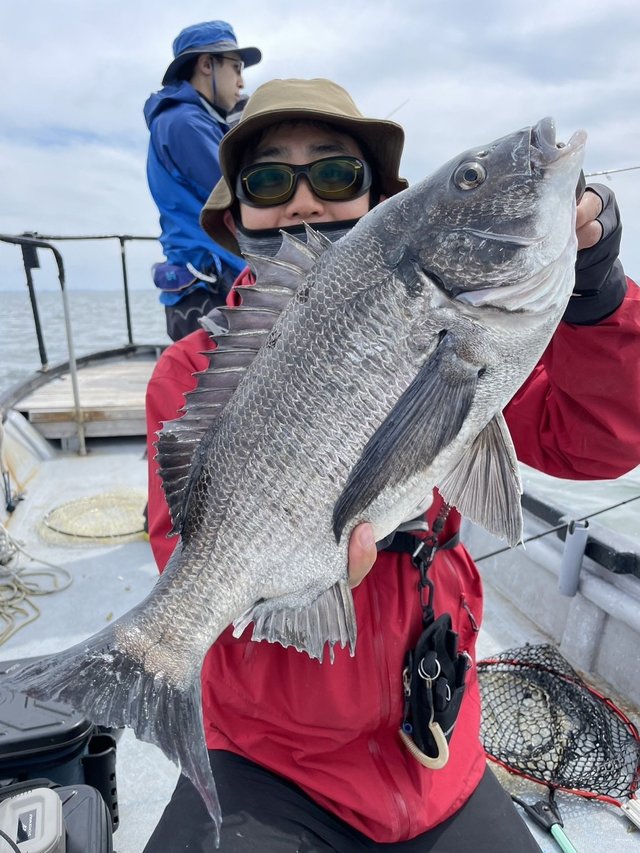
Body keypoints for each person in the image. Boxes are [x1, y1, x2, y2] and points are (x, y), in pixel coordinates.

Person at [144, 79, 640, 851]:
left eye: (335, 175)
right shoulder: (192, 370)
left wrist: (598, 296)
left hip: (438, 747)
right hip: (275, 758)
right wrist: (296, 566)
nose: (303, 202)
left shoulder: (480, 327)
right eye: (269, 181)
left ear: (378, 199)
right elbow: (188, 546)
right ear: (236, 216)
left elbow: (598, 439)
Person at [144, 20, 262, 341]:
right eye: (236, 67)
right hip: (210, 287)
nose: (241, 81)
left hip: (211, 280)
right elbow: (238, 194)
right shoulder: (184, 122)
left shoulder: (194, 120)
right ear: (207, 64)